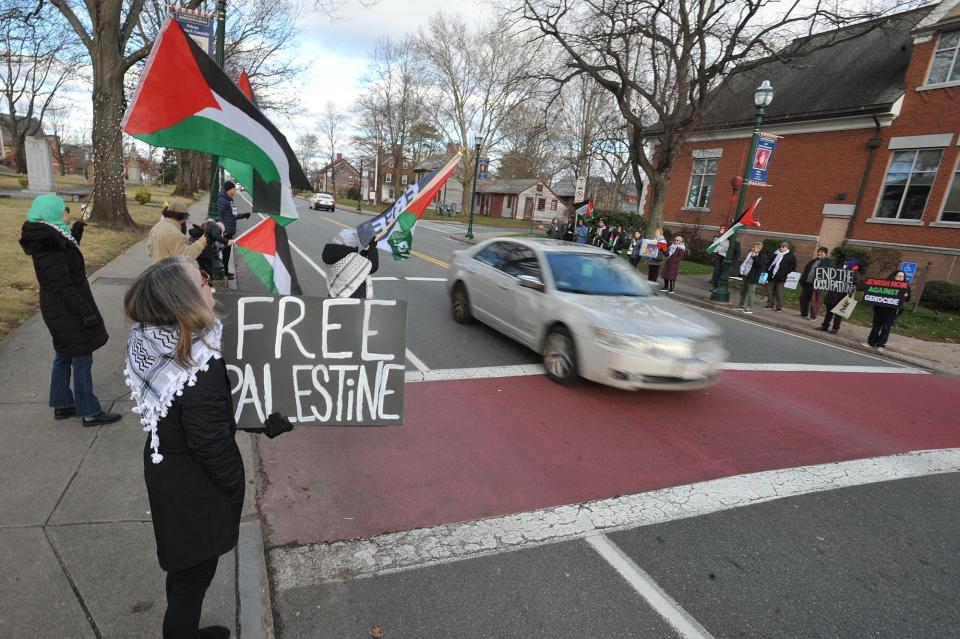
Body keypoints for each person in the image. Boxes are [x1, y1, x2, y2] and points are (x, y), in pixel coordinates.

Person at [124, 256, 292, 639]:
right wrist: (234, 489)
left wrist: (256, 421)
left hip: (166, 467)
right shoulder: (196, 361)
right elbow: (209, 438)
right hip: (194, 487)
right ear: (183, 298)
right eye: (201, 279)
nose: (210, 283)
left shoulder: (149, 336)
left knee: (182, 569)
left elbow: (197, 416)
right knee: (191, 582)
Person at [19, 194, 121, 426]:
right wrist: (85, 311)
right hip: (65, 307)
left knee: (64, 353)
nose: (68, 212)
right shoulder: (48, 241)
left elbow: (63, 260)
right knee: (81, 356)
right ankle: (89, 411)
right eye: (64, 209)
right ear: (52, 212)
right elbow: (62, 282)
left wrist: (76, 233)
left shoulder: (50, 233)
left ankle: (63, 403)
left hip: (59, 304)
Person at [322, 228, 380, 298]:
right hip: (353, 298)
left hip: (336, 295)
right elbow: (373, 266)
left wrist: (365, 252)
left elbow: (352, 263)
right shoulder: (350, 258)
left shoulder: (330, 253)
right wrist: (373, 247)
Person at [865, 270, 912, 352]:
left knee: (886, 328)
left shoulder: (906, 286)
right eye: (898, 276)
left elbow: (908, 299)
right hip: (880, 309)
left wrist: (906, 295)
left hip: (892, 311)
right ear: (894, 276)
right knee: (876, 326)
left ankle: (880, 344)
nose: (900, 278)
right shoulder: (885, 283)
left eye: (902, 277)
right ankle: (871, 342)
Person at [216, 181, 251, 280]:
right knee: (224, 252)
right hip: (226, 231)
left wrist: (244, 215)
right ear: (229, 190)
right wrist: (224, 230)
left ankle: (225, 271)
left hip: (229, 230)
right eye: (234, 189)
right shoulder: (223, 200)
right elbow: (220, 215)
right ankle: (224, 272)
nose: (235, 190)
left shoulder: (229, 200)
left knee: (226, 253)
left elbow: (233, 215)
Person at [818, 257, 860, 334]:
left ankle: (835, 328)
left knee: (838, 313)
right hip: (833, 293)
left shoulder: (855, 272)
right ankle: (825, 326)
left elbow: (855, 283)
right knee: (829, 311)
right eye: (845, 261)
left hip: (843, 295)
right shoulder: (838, 269)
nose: (846, 263)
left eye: (848, 262)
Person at [799, 246, 831, 320]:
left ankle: (813, 316)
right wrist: (802, 279)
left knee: (814, 300)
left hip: (817, 284)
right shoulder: (813, 261)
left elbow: (829, 273)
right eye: (818, 252)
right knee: (803, 298)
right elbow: (806, 270)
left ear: (825, 254)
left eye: (821, 252)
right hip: (807, 283)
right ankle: (804, 314)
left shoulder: (828, 262)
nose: (819, 253)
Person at [764, 241, 797, 312]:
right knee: (769, 291)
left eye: (783, 247)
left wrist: (785, 272)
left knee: (779, 292)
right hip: (771, 275)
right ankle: (770, 304)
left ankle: (779, 306)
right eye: (780, 246)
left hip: (781, 277)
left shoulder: (790, 256)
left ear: (787, 248)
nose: (781, 248)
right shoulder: (775, 254)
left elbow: (793, 266)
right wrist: (768, 270)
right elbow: (769, 263)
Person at [737, 241, 768, 314]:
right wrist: (741, 270)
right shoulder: (749, 253)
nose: (752, 249)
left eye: (754, 248)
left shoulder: (762, 256)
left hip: (753, 276)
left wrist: (754, 257)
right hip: (745, 274)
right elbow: (745, 262)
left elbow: (759, 264)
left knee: (751, 292)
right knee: (743, 291)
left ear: (759, 248)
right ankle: (741, 305)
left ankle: (749, 308)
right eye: (752, 247)